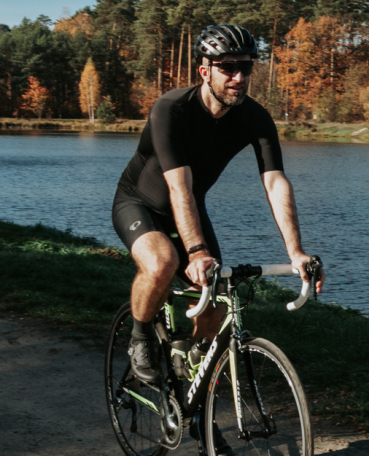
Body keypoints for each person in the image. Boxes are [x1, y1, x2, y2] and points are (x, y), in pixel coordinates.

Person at [111, 23, 322, 386]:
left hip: (191, 207)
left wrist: (297, 252)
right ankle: (141, 336)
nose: (239, 78)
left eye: (246, 68)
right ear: (204, 70)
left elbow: (275, 182)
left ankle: (191, 372)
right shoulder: (171, 109)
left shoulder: (254, 118)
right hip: (140, 204)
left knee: (218, 300)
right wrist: (195, 253)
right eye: (228, 68)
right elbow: (178, 186)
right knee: (163, 263)